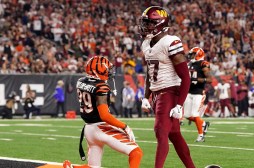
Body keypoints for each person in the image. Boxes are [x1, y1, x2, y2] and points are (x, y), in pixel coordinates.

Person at [140, 6, 195, 168]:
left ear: (160, 23)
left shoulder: (171, 41)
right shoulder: (146, 43)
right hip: (158, 93)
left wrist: (179, 104)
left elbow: (185, 76)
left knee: (161, 131)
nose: (146, 26)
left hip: (170, 91)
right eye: (145, 23)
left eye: (149, 23)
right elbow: (150, 73)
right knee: (174, 135)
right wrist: (146, 96)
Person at [63, 56, 142, 168]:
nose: (109, 72)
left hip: (88, 129)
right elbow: (104, 115)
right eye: (107, 69)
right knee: (136, 153)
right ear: (98, 70)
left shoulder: (81, 81)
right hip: (100, 127)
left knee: (93, 167)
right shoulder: (101, 86)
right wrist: (124, 126)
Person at [183, 47, 211, 142]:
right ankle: (203, 124)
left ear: (198, 54)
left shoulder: (203, 64)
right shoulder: (189, 63)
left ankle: (201, 135)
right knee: (187, 115)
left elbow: (210, 79)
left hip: (198, 92)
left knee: (195, 114)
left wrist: (198, 80)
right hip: (189, 92)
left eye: (193, 53)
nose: (191, 55)